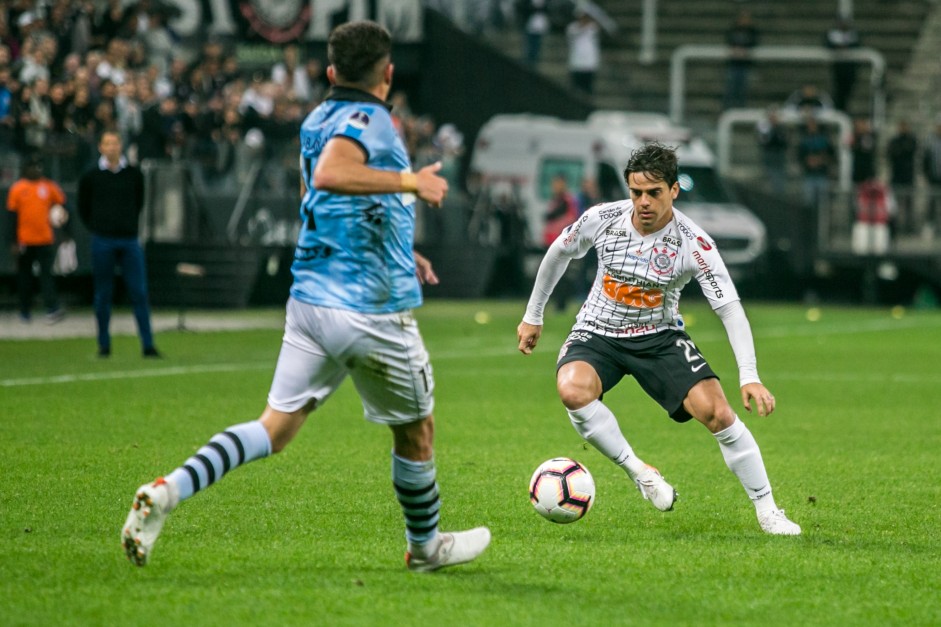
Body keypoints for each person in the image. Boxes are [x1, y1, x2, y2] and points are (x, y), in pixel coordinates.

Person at [120, 21, 491, 572]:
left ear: (329, 71)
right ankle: (425, 548)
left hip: (311, 301)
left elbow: (314, 196)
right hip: (368, 309)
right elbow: (334, 173)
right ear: (388, 74)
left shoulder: (317, 117)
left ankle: (168, 490)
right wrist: (413, 183)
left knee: (275, 427)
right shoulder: (375, 119)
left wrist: (396, 245)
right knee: (417, 433)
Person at [516, 142, 801, 536]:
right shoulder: (603, 219)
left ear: (673, 191)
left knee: (718, 413)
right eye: (636, 193)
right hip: (597, 332)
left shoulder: (693, 242)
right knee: (572, 390)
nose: (643, 203)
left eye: (654, 193)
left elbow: (730, 308)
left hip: (659, 338)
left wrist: (749, 374)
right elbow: (558, 252)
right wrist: (533, 315)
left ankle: (768, 511)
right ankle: (640, 472)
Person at [77, 130, 160, 358]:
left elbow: (139, 202)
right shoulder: (91, 176)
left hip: (129, 239)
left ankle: (148, 344)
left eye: (115, 143)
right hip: (103, 239)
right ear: (100, 147)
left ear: (120, 146)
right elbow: (83, 207)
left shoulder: (133, 174)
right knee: (103, 294)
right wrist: (98, 226)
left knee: (139, 292)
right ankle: (104, 345)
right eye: (107, 143)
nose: (112, 147)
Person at [5, 154, 66, 323]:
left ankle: (51, 308)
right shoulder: (17, 188)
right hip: (25, 240)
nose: (36, 170)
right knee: (25, 277)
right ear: (25, 169)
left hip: (45, 239)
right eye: (33, 167)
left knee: (47, 275)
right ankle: (25, 310)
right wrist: (13, 241)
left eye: (39, 166)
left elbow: (62, 204)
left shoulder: (48, 186)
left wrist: (63, 221)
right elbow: (11, 217)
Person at [543, 173, 579, 311]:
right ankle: (557, 303)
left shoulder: (566, 200)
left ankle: (561, 304)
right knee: (553, 273)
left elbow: (553, 216)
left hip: (561, 242)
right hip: (552, 241)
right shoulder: (557, 200)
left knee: (560, 273)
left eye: (557, 183)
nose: (554, 186)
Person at [723, 8, 759, 110]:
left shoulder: (752, 31)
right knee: (730, 89)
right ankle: (728, 109)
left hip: (745, 66)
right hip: (734, 64)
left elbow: (755, 43)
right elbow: (728, 41)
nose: (744, 21)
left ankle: (741, 109)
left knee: (743, 90)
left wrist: (745, 50)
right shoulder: (733, 30)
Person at [885, 120, 917, 235]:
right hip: (896, 176)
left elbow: (909, 151)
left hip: (908, 176)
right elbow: (890, 153)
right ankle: (894, 227)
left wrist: (900, 151)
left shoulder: (911, 140)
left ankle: (909, 227)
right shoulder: (894, 141)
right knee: (894, 204)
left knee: (909, 203)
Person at [824, 16, 861, 113]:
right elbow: (827, 45)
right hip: (837, 67)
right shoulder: (832, 34)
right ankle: (839, 109)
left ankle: (843, 109)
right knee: (838, 91)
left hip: (849, 68)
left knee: (847, 92)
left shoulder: (854, 34)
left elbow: (858, 46)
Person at [566, 9, 601, 96]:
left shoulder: (592, 27)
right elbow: (572, 34)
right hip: (577, 59)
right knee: (576, 82)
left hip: (589, 59)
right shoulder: (572, 27)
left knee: (588, 82)